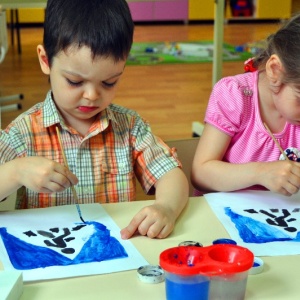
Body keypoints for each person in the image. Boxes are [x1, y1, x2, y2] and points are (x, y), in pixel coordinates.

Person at [0, 0, 188, 239]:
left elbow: (170, 174)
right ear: (46, 60)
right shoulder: (23, 133)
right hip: (50, 262)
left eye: (109, 83)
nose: (91, 95)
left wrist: (166, 208)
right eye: (75, 82)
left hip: (114, 253)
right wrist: (15, 172)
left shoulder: (129, 127)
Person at [192, 14, 300, 197]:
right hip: (223, 216)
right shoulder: (235, 95)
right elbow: (200, 174)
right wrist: (261, 173)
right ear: (275, 71)